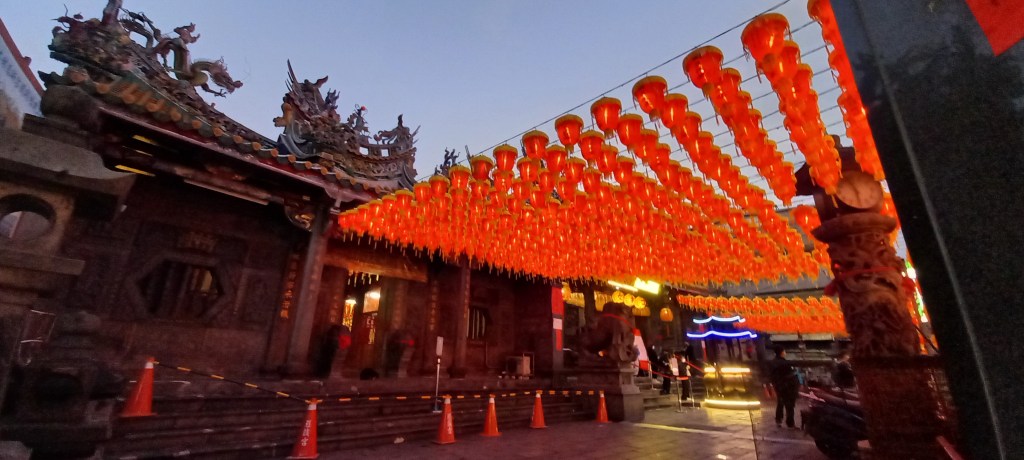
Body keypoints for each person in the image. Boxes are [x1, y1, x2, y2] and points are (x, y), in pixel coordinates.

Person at [769, 345, 800, 428]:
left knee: (780, 402)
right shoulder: (785, 363)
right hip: (787, 386)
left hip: (778, 385)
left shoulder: (772, 362)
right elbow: (791, 374)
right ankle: (790, 423)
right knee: (789, 405)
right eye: (784, 351)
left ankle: (778, 420)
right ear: (782, 352)